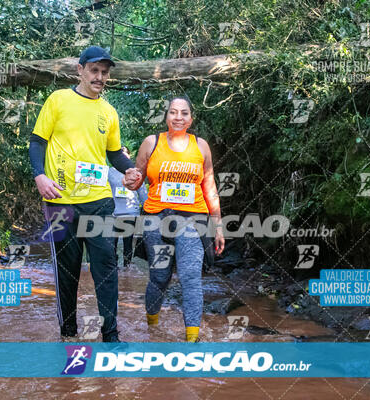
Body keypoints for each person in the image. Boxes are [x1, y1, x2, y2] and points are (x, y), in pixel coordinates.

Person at [29, 46, 141, 342]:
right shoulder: (58, 100)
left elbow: (114, 153)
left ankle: (111, 337)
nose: (100, 77)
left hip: (100, 203)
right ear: (79, 70)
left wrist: (129, 169)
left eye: (105, 73)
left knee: (106, 269)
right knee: (67, 274)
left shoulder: (109, 112)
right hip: (61, 203)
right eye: (94, 70)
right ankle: (68, 335)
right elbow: (37, 142)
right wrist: (39, 175)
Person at [124, 96, 225, 342]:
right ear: (166, 116)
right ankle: (152, 329)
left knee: (191, 277)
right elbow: (137, 179)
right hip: (156, 218)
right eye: (173, 112)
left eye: (184, 113)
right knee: (160, 276)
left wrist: (218, 226)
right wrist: (130, 180)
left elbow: (209, 186)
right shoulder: (151, 143)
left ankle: (192, 340)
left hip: (193, 218)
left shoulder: (201, 146)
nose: (178, 117)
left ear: (192, 118)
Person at [108, 146, 148, 268]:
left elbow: (141, 191)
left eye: (125, 154)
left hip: (130, 212)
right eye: (120, 153)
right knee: (111, 244)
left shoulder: (136, 173)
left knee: (128, 242)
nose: (123, 155)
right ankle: (113, 266)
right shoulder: (109, 172)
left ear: (129, 156)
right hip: (113, 212)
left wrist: (147, 207)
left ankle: (127, 267)